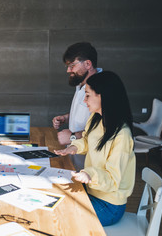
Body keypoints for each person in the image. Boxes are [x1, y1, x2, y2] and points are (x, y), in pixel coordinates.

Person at [54, 71, 136, 226]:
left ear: (103, 96)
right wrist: (73, 147)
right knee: (56, 200)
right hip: (92, 192)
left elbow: (112, 180)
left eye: (87, 95)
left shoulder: (122, 135)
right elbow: (87, 140)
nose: (84, 101)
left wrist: (89, 175)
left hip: (109, 206)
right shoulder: (96, 118)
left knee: (62, 216)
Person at [52, 42, 102, 146]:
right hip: (75, 155)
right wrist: (66, 118)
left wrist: (72, 136)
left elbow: (103, 131)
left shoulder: (102, 89)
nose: (68, 70)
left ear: (88, 64)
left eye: (72, 66)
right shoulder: (81, 85)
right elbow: (87, 116)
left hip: (89, 159)